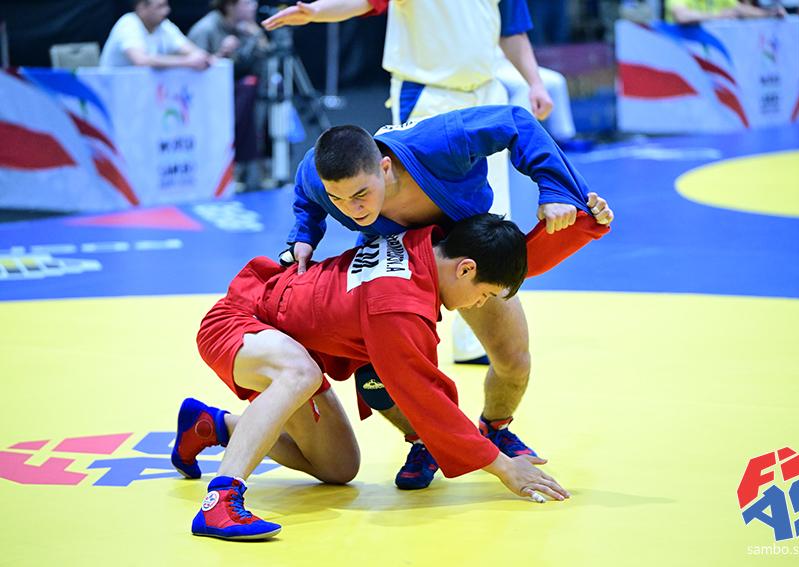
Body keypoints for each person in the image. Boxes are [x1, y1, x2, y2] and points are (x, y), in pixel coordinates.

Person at [269, 104, 613, 491]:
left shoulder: (437, 144)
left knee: (513, 360)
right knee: (381, 379)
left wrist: (555, 188)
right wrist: (304, 234)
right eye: (339, 200)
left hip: (466, 258)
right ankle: (424, 441)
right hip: (395, 265)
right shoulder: (319, 178)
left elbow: (514, 121)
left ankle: (495, 428)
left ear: (384, 167)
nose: (353, 209)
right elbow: (306, 190)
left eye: (362, 194)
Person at [173, 214, 570, 541]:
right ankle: (220, 500)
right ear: (465, 268)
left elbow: (512, 251)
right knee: (300, 374)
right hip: (240, 322)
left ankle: (211, 426)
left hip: (288, 342)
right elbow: (426, 399)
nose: (480, 304)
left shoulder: (423, 242)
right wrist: (504, 467)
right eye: (484, 294)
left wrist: (585, 224)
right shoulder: (397, 303)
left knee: (338, 467)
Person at [262, 0, 556, 364]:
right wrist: (318, 11)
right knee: (396, 219)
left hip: (484, 90)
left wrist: (534, 81)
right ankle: (383, 332)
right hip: (429, 96)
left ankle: (471, 338)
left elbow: (511, 29)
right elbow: (366, 1)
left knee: (488, 222)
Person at [189, 0, 271, 188]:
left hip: (239, 91)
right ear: (230, 6)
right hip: (206, 97)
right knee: (247, 92)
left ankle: (265, 163)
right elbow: (193, 73)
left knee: (268, 89)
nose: (253, 6)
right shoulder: (205, 29)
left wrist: (258, 35)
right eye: (247, 2)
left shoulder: (246, 28)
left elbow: (267, 60)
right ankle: (239, 166)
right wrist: (221, 53)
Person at [100, 0, 213, 69]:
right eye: (160, 6)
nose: (167, 11)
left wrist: (205, 58)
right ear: (142, 8)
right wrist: (186, 62)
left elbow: (193, 52)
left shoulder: (164, 26)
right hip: (111, 93)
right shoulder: (128, 23)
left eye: (166, 5)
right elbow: (141, 61)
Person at [665, 0, 777, 24]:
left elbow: (740, 9)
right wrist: (718, 16)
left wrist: (769, 14)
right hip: (681, 53)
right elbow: (682, 16)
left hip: (709, 53)